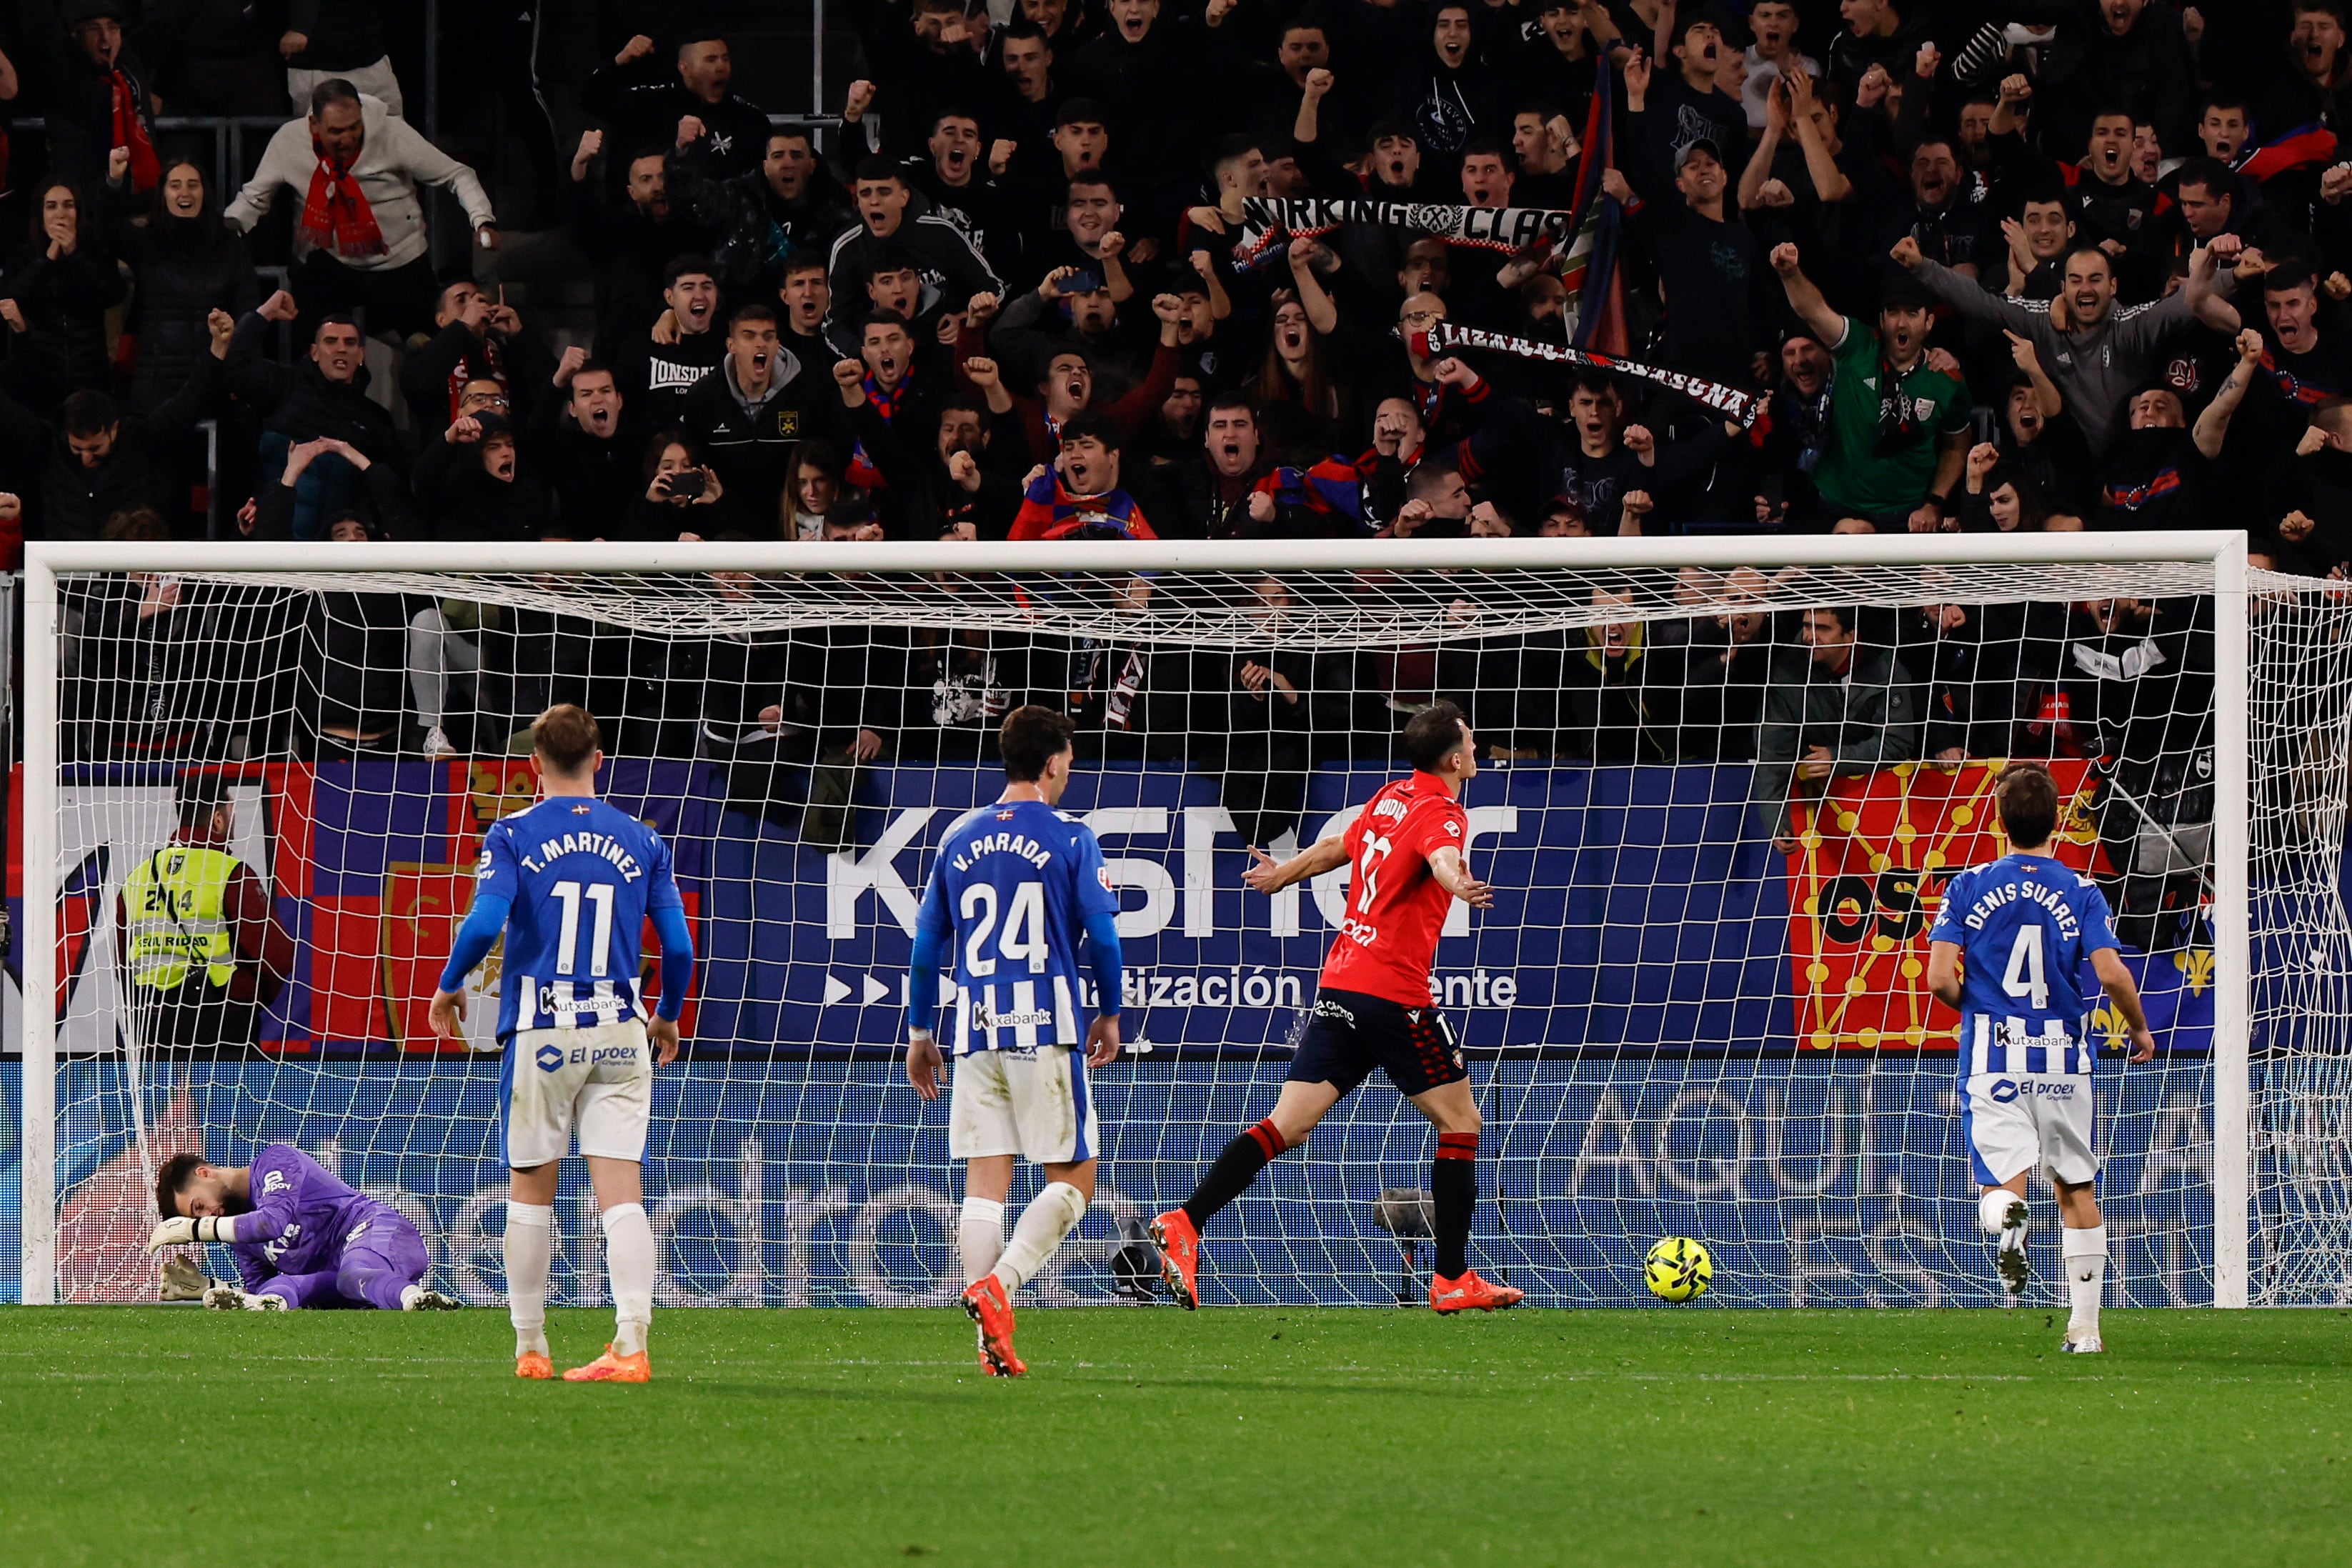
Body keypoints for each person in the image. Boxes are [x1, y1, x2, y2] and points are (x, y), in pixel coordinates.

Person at [1150, 702, 1524, 1315]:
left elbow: (1333, 848)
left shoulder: (1389, 797)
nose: (1479, 747)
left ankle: (1185, 1223)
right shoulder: (1443, 811)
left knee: (1288, 1124)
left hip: (1342, 984)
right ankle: (1452, 1278)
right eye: (1472, 740)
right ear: (1455, 758)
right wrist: (1457, 883)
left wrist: (1282, 875)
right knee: (1462, 1124)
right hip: (1393, 994)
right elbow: (1442, 859)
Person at [429, 704, 696, 1383]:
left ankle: (531, 1348)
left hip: (544, 1030)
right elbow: (681, 946)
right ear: (599, 758)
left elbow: (486, 918)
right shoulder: (642, 838)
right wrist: (665, 1014)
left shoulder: (513, 832)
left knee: (529, 1194)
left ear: (534, 765)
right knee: (623, 1197)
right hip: (619, 1030)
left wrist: (450, 981)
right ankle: (631, 1345)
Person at [903, 704, 1125, 1377]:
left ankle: (986, 1345)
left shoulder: (956, 837)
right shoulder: (1070, 835)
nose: (1069, 774)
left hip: (974, 1031)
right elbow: (1107, 941)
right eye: (1069, 763)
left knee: (985, 1181)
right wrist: (1110, 1015)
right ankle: (998, 1286)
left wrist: (919, 1031)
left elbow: (924, 949)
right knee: (1077, 1175)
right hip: (1045, 1026)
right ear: (1053, 762)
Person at [1925, 762, 2157, 1352]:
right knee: (2077, 1187)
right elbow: (2110, 972)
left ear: (2000, 819)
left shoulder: (1967, 885)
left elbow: (1938, 979)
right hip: (2063, 1059)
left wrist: (1977, 1004)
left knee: (2002, 1191)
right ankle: (2085, 1330)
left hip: (1993, 1056)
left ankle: (2009, 1231)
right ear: (2058, 821)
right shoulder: (2080, 890)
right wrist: (2138, 1029)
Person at [224, 79, 497, 340]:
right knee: (305, 341)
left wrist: (482, 220)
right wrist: (227, 231)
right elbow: (253, 198)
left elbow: (456, 175)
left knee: (427, 348)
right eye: (336, 132)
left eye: (354, 127)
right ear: (314, 125)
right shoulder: (290, 141)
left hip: (401, 261)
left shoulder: (391, 133)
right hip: (335, 261)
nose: (348, 139)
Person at [145, 1144, 459, 1311]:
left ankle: (418, 1301)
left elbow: (271, 1222)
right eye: (198, 1219)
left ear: (205, 1174)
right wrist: (211, 1286)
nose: (208, 1217)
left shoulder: (274, 1161)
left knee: (355, 1273)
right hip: (342, 1280)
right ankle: (409, 1299)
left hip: (377, 1231)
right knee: (279, 1293)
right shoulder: (239, 1234)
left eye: (199, 1208)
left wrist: (198, 1230)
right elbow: (257, 1287)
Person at [112, 771, 295, 1052]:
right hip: (219, 1021)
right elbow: (275, 956)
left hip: (152, 1023)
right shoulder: (232, 874)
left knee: (163, 1097)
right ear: (218, 819)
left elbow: (122, 961)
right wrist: (244, 997)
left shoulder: (137, 877)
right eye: (230, 810)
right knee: (224, 1098)